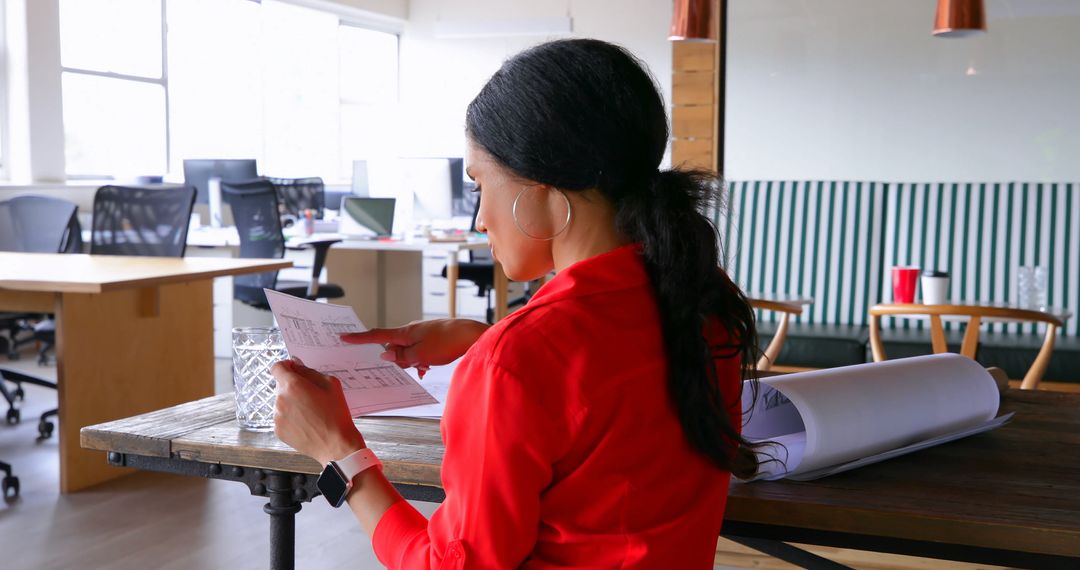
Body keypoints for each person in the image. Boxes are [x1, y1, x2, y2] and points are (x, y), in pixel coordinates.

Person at [271, 38, 760, 568]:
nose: (480, 218)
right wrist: (484, 340)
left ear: (540, 187)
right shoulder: (702, 295)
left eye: (480, 183)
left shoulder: (521, 359)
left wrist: (339, 451)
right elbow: (614, 384)